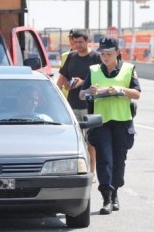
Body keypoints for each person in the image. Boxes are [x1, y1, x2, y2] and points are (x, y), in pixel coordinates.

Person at [79, 36, 141, 215]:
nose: (105, 57)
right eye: (102, 54)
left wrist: (121, 90)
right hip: (101, 122)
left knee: (119, 160)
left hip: (122, 121)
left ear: (118, 53)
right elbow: (82, 95)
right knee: (105, 159)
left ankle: (115, 193)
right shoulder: (94, 70)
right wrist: (88, 92)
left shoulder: (129, 70)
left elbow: (137, 94)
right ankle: (106, 197)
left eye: (109, 54)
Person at [57, 29, 101, 180]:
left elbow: (101, 80)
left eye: (81, 42)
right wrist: (65, 86)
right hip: (72, 105)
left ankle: (92, 171)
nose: (78, 45)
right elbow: (62, 78)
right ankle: (75, 170)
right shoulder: (70, 57)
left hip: (89, 105)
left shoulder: (96, 57)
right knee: (74, 139)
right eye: (75, 42)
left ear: (88, 40)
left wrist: (84, 83)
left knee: (91, 140)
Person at [59, 28, 77, 98]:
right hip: (66, 97)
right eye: (70, 38)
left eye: (74, 38)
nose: (72, 41)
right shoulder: (65, 56)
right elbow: (61, 78)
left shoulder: (90, 56)